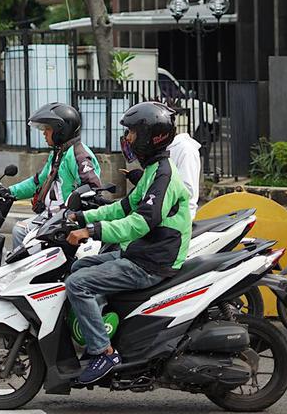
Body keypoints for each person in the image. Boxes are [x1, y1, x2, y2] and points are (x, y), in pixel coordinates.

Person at [64, 101, 192, 385]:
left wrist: (92, 231)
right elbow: (123, 207)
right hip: (139, 253)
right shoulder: (152, 171)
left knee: (78, 284)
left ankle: (103, 352)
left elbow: (140, 222)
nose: (128, 139)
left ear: (151, 136)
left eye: (132, 133)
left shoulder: (164, 176)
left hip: (151, 263)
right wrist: (81, 215)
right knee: (79, 267)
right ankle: (101, 328)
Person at [8, 102, 102, 249]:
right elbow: (38, 181)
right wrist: (9, 192)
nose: (44, 133)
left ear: (61, 130)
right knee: (21, 230)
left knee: (21, 232)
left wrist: (72, 211)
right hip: (51, 216)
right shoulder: (58, 153)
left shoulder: (78, 155)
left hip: (66, 220)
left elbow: (92, 188)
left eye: (48, 129)